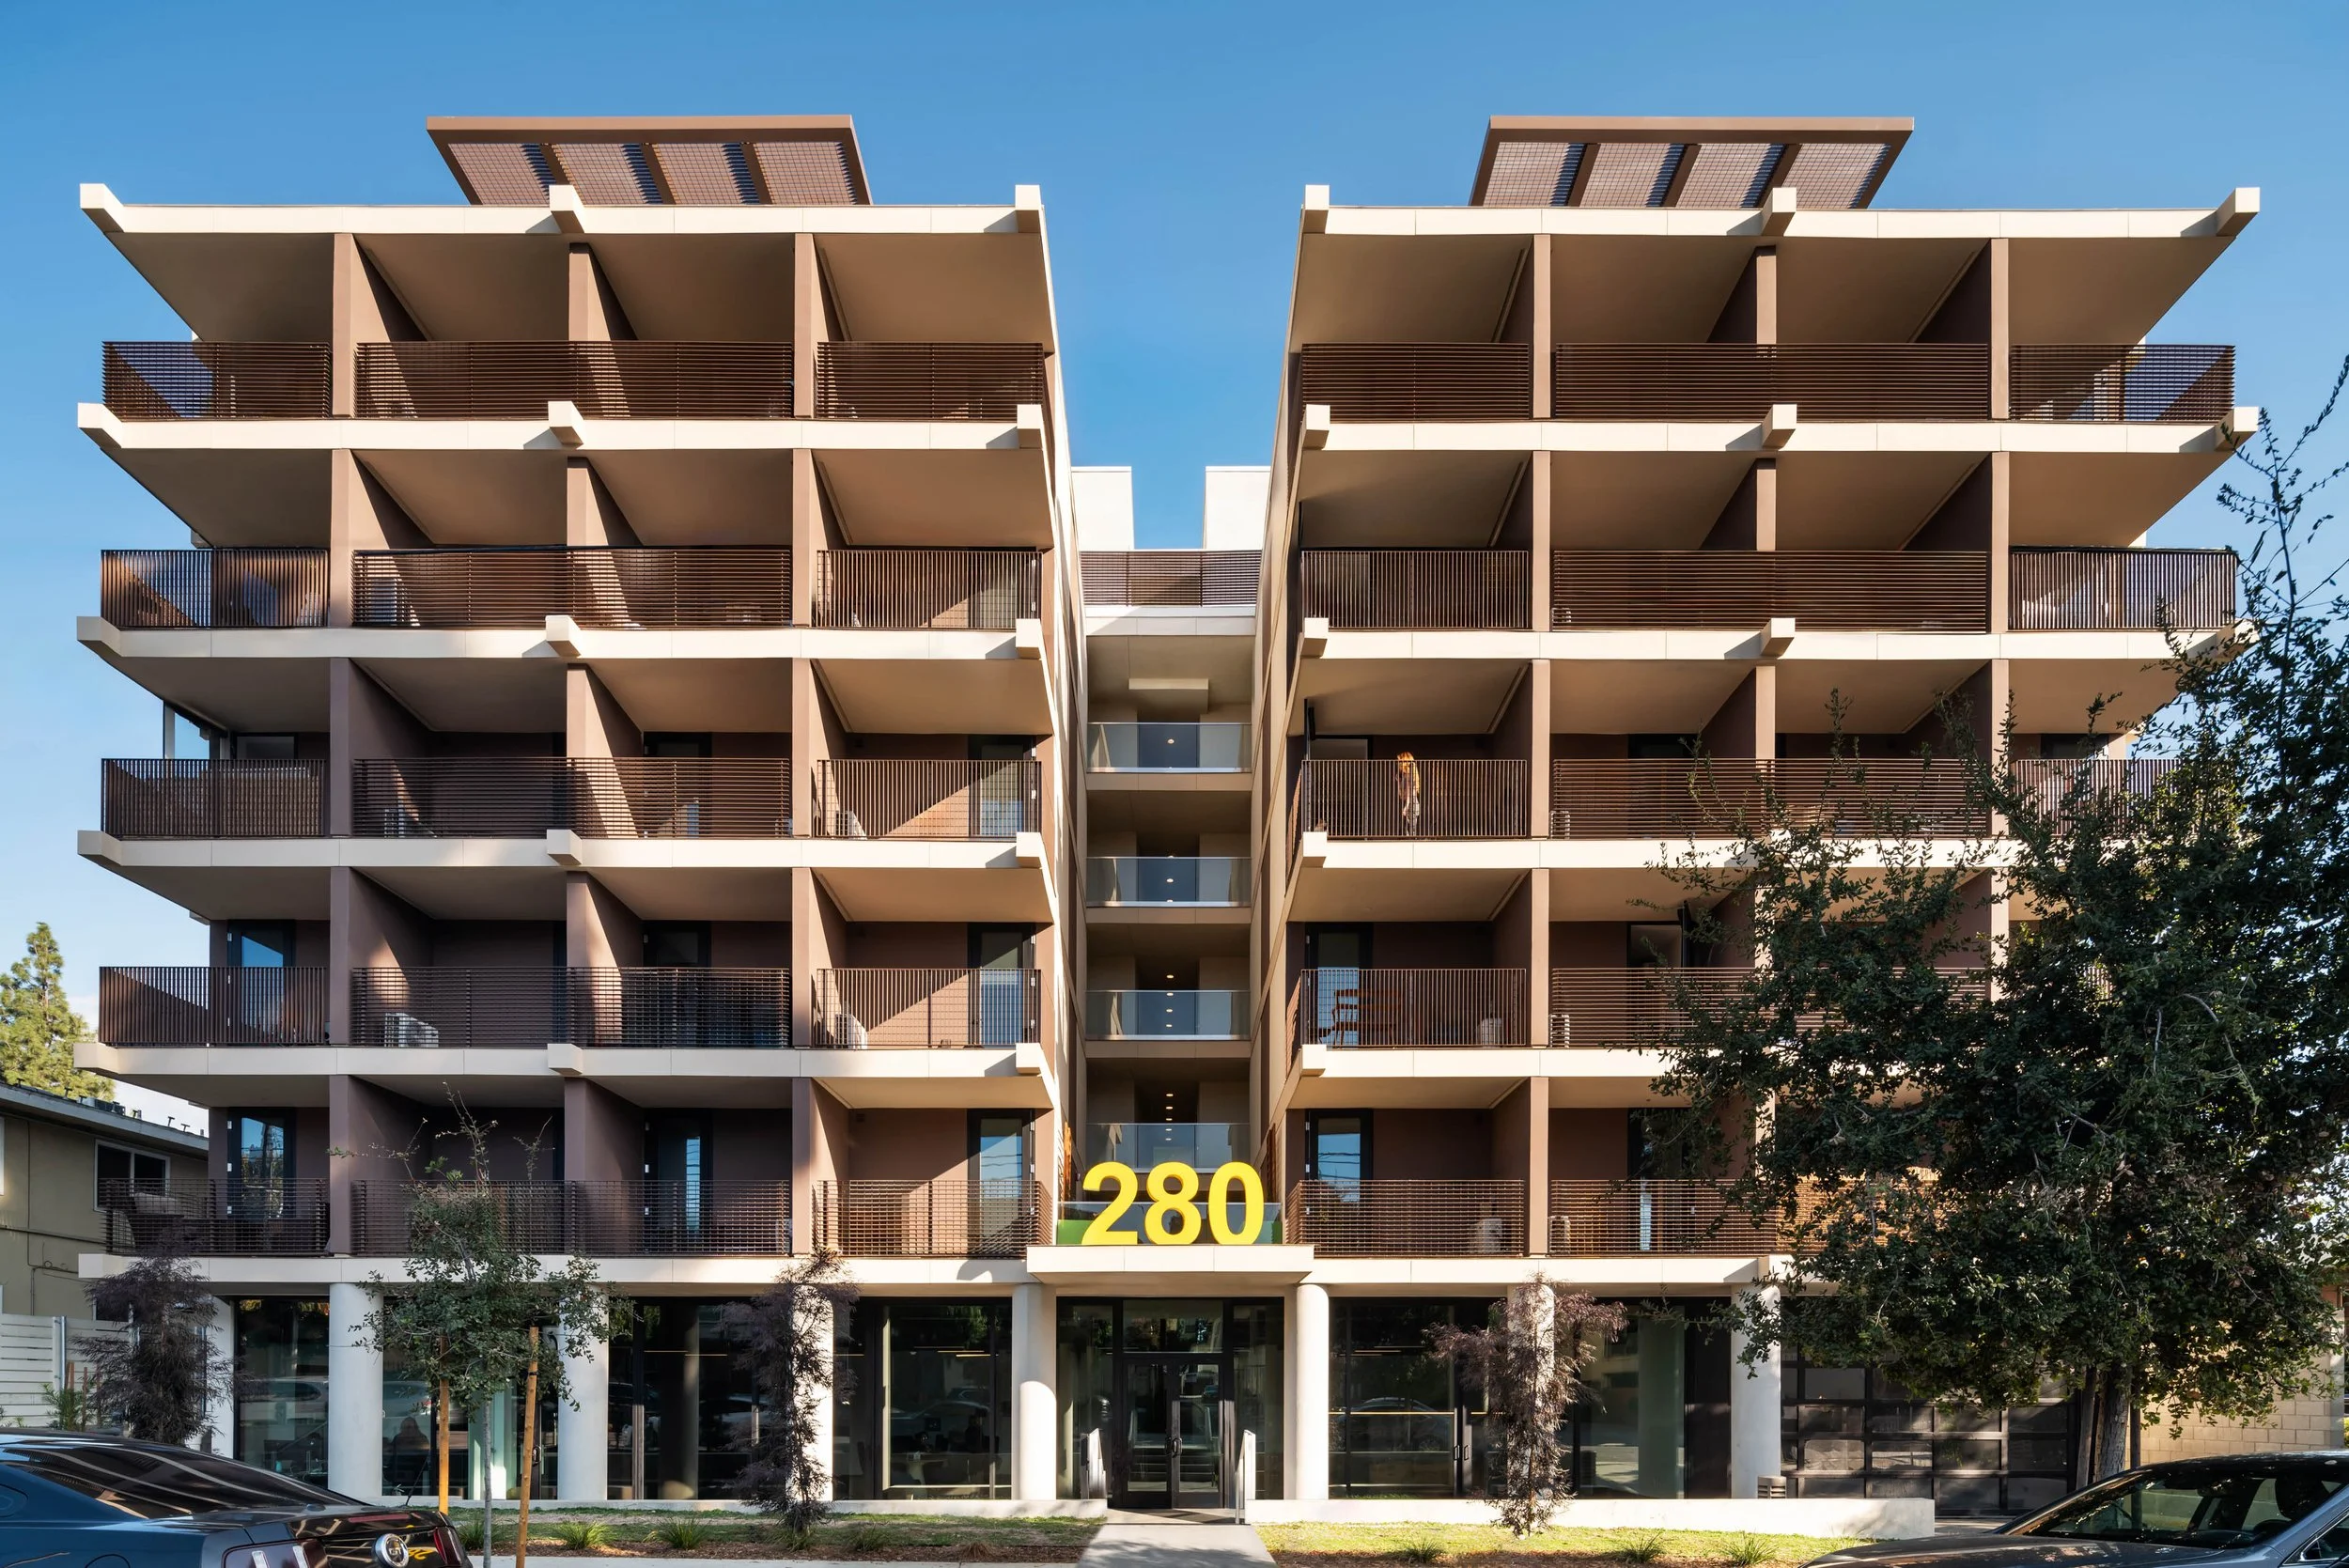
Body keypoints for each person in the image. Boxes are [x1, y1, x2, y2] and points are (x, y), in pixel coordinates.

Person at [1393, 751, 1423, 836]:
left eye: (1400, 761)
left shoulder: (1410, 774)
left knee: (1410, 830)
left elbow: (1411, 792)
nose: (1398, 763)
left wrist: (1406, 807)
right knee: (1407, 829)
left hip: (1411, 803)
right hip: (1410, 802)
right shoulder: (1406, 775)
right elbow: (1403, 794)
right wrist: (1399, 781)